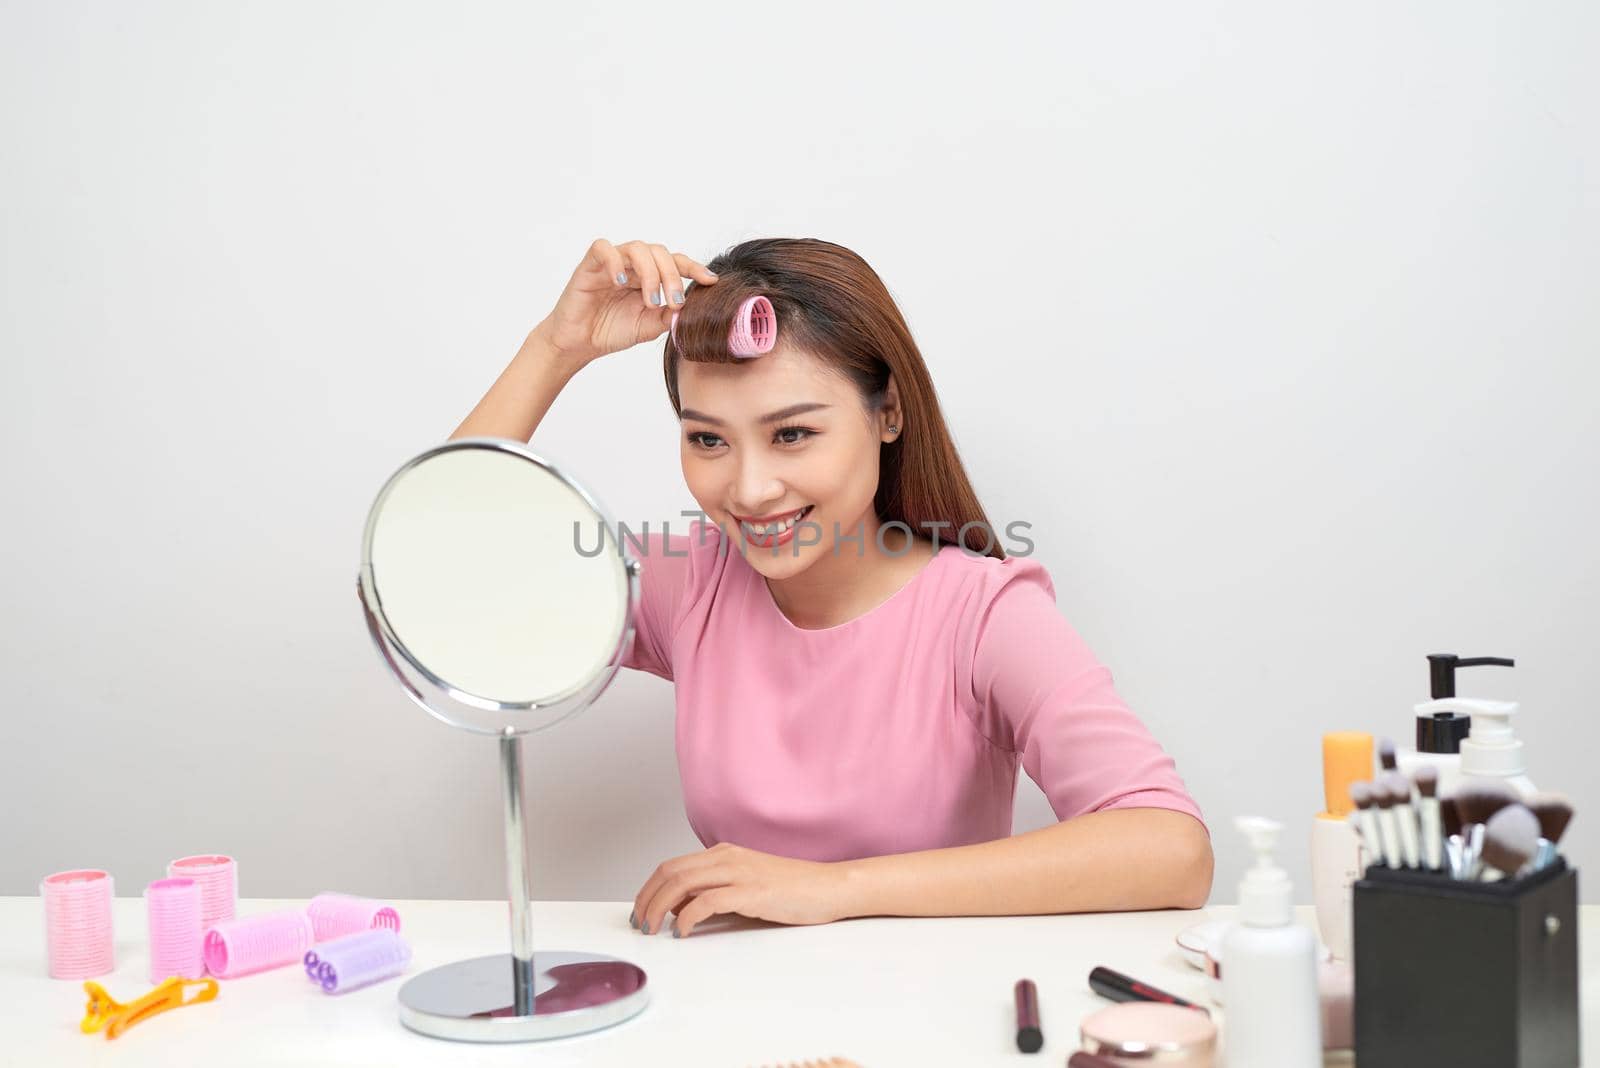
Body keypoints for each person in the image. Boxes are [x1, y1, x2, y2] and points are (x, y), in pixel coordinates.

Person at [451, 237, 1213, 940]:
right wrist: (556, 348)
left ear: (888, 415)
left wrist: (833, 888)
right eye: (708, 439)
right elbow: (442, 560)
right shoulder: (692, 584)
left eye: (792, 434)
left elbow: (1170, 847)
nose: (749, 489)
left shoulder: (985, 614)